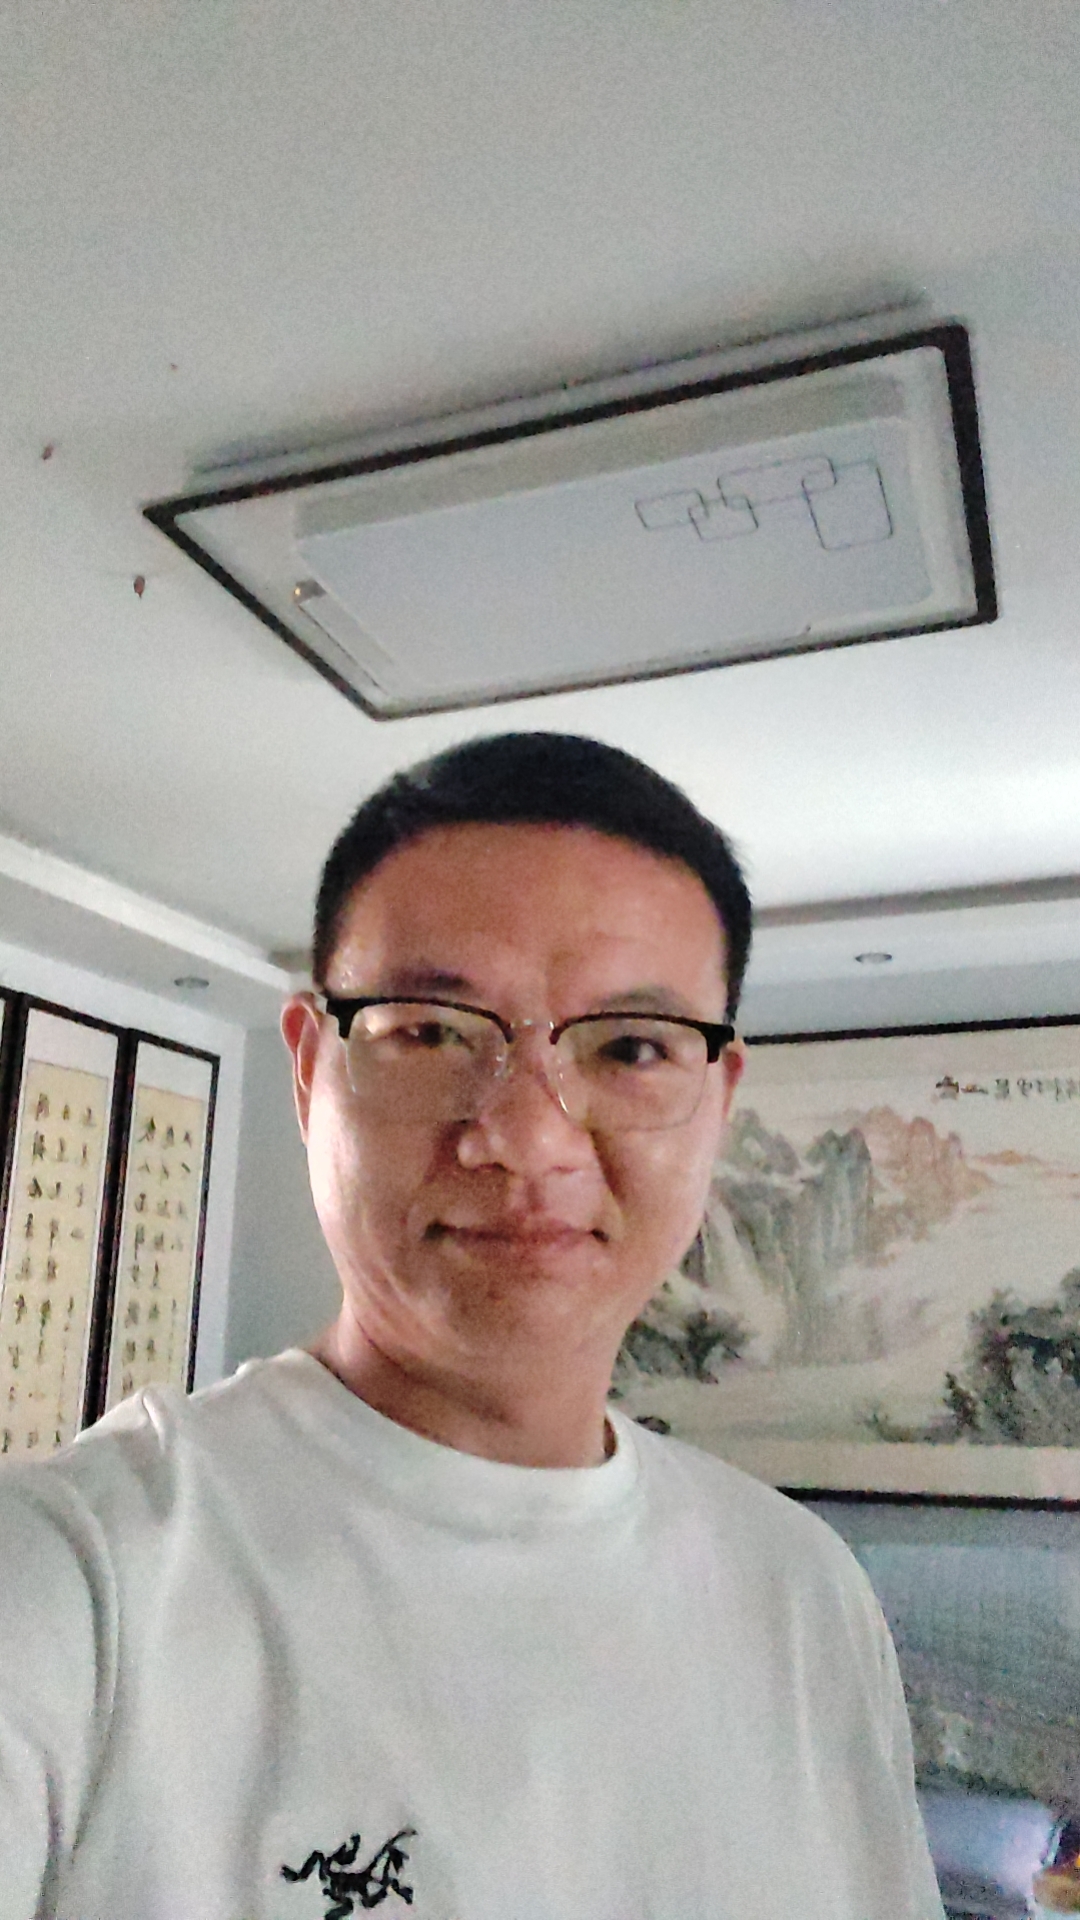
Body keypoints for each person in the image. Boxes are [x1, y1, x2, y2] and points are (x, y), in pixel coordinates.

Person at [0, 732, 943, 1920]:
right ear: (311, 1074)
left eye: (631, 1047)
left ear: (718, 1100)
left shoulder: (804, 1594)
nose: (529, 1139)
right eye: (434, 1031)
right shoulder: (70, 1588)